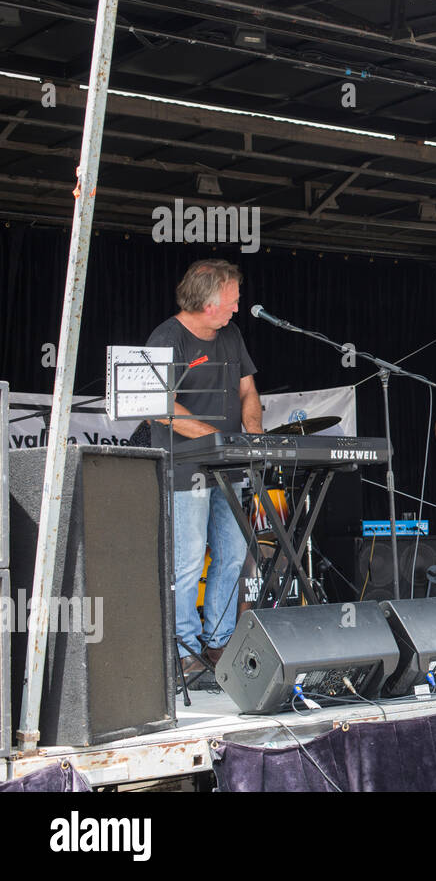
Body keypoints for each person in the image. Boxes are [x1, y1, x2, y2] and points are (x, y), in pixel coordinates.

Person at [147, 259, 262, 683]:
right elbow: (159, 409)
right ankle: (184, 650)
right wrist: (219, 438)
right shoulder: (167, 337)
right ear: (209, 301)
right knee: (188, 561)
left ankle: (219, 644)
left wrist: (252, 434)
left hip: (229, 467)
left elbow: (248, 389)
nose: (237, 306)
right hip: (184, 469)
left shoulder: (231, 334)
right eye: (232, 299)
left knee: (232, 557)